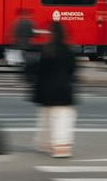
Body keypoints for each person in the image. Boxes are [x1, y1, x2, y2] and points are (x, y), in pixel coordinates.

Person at [32, 21, 77, 158]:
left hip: (48, 91)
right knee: (62, 117)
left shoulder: (46, 50)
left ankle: (44, 143)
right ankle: (61, 146)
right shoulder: (68, 50)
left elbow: (40, 71)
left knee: (46, 116)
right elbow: (72, 70)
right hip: (63, 90)